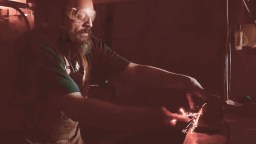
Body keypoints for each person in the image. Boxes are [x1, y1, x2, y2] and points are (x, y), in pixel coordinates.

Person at [1, 0, 206, 143]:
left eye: (91, 16)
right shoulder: (37, 48)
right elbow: (78, 107)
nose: (89, 24)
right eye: (80, 16)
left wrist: (185, 81)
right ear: (56, 16)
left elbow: (132, 70)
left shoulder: (85, 43)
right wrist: (150, 117)